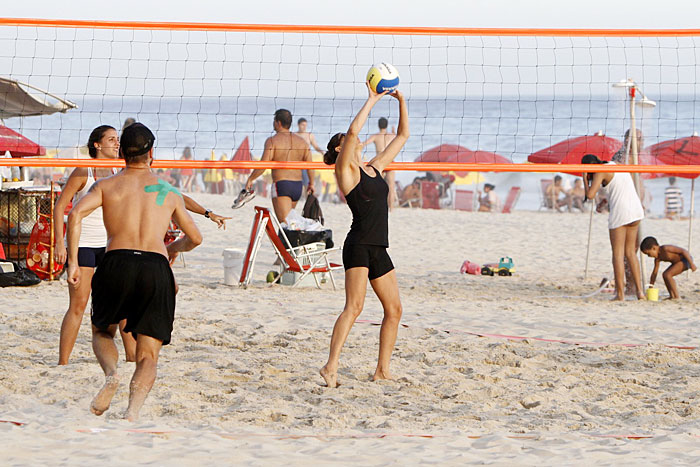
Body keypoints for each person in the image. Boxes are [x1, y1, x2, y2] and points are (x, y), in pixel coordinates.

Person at [67, 123, 202, 422]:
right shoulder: (167, 191)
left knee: (103, 331)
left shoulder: (106, 186)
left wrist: (74, 263)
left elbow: (75, 213)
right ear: (151, 153)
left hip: (115, 262)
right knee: (148, 355)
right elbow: (195, 238)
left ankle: (111, 375)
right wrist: (172, 249)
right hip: (154, 266)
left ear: (122, 153)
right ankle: (132, 412)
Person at [319, 84, 408, 388]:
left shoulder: (375, 167)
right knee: (354, 308)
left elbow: (402, 137)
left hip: (378, 247)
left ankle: (382, 370)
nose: (354, 139)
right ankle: (330, 366)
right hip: (357, 246)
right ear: (339, 149)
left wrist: (401, 101)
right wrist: (372, 99)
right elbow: (354, 133)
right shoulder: (346, 170)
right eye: (346, 140)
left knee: (394, 310)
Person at [54, 125, 131, 365]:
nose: (116, 143)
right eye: (111, 139)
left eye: (117, 139)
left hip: (110, 245)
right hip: (84, 244)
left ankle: (131, 360)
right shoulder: (83, 171)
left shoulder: (121, 171)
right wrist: (60, 244)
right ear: (97, 145)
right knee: (78, 305)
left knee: (122, 304)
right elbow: (59, 207)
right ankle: (63, 362)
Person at [582, 154, 645, 301]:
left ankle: (620, 294)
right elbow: (619, 188)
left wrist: (584, 178)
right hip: (636, 210)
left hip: (621, 213)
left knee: (617, 254)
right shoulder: (614, 164)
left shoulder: (600, 171)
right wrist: (605, 201)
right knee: (630, 253)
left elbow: (590, 195)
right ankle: (640, 293)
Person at [245, 109, 315, 222]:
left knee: (285, 224)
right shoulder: (302, 142)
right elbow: (310, 166)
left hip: (282, 184)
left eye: (274, 120)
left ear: (278, 123)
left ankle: (286, 239)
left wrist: (251, 179)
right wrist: (311, 183)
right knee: (290, 223)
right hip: (297, 186)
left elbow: (263, 165)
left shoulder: (273, 141)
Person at [363, 117, 398, 209]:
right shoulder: (392, 135)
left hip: (380, 162)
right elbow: (400, 139)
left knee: (378, 186)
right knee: (391, 186)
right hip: (390, 162)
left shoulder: (375, 136)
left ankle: (378, 206)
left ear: (378, 125)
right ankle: (391, 208)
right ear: (387, 125)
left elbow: (364, 144)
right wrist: (394, 132)